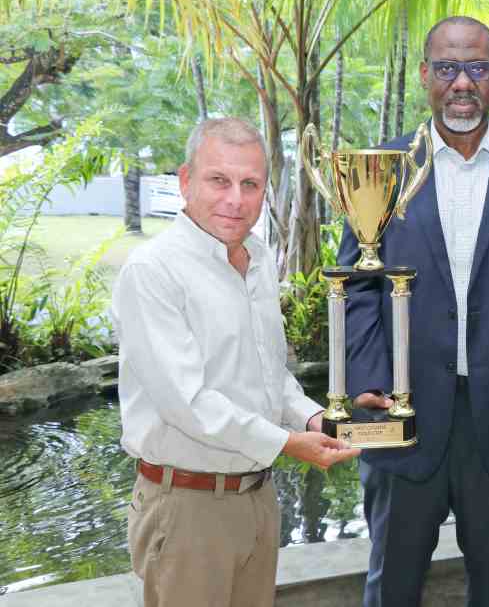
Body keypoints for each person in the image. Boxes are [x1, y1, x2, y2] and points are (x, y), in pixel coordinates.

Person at [338, 16, 489, 607]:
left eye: (475, 67)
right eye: (447, 68)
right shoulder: (381, 168)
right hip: (404, 420)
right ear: (425, 75)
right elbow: (357, 286)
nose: (461, 82)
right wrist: (372, 381)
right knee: (390, 588)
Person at [111, 117, 360, 607]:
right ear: (185, 181)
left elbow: (272, 375)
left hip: (257, 497)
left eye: (250, 184)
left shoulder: (259, 259)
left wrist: (314, 417)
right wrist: (290, 442)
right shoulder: (152, 272)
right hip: (187, 510)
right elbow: (189, 404)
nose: (235, 199)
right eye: (218, 180)